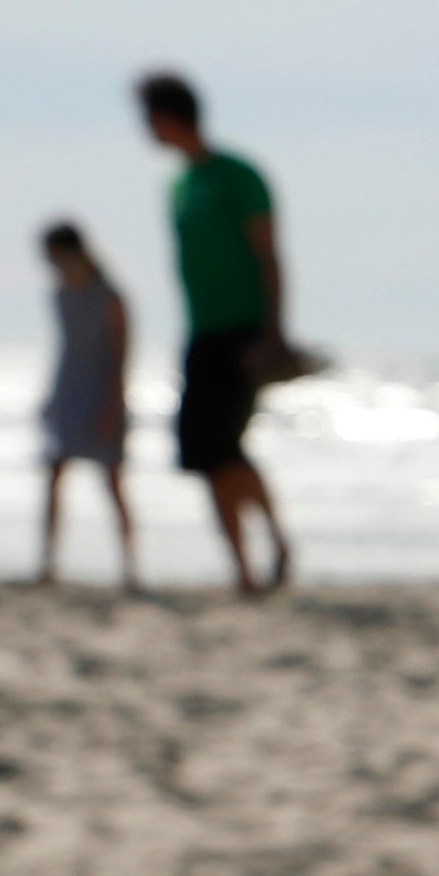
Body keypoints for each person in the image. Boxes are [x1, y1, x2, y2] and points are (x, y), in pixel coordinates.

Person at [137, 70, 311, 595]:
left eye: (148, 117)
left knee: (227, 447)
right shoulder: (179, 186)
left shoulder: (238, 175)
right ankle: (242, 571)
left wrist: (275, 330)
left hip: (245, 330)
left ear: (169, 117)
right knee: (204, 455)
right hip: (200, 333)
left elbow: (269, 255)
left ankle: (277, 540)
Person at [35, 220, 142, 590]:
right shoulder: (60, 293)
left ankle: (130, 568)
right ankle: (48, 565)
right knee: (53, 475)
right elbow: (66, 349)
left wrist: (113, 404)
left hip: (103, 392)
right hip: (69, 391)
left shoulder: (109, 296)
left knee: (113, 483)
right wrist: (51, 398)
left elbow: (122, 355)